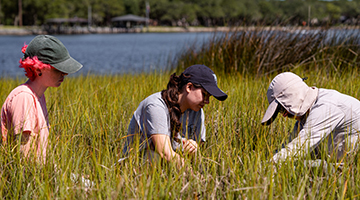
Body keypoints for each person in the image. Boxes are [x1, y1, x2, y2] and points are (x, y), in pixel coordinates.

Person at [122, 65, 227, 167]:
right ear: (189, 87)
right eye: (204, 94)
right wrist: (192, 175)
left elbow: (197, 152)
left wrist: (193, 146)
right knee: (155, 157)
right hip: (134, 165)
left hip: (171, 165)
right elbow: (164, 152)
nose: (207, 101)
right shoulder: (156, 106)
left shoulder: (197, 111)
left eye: (209, 97)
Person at [1, 35, 83, 163]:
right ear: (39, 68)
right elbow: (25, 161)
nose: (64, 74)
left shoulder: (39, 96)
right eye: (58, 69)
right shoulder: (24, 98)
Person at [261, 72, 360, 163]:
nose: (284, 115)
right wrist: (267, 160)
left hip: (350, 170)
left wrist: (267, 168)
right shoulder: (308, 114)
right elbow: (289, 145)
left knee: (299, 167)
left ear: (292, 97)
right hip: (338, 164)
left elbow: (299, 147)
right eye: (280, 111)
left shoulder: (325, 108)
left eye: (283, 108)